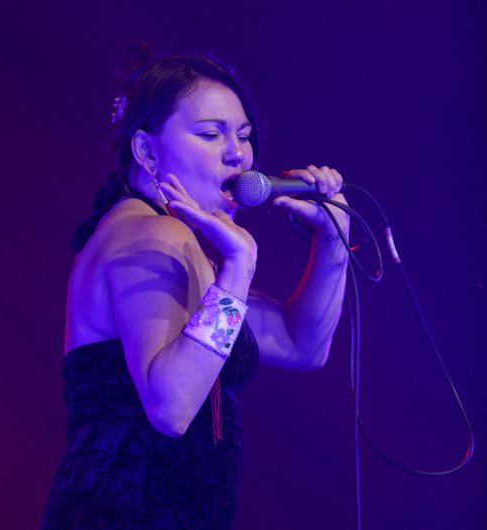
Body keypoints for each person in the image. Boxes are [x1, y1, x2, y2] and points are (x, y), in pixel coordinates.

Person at [41, 50, 349, 529]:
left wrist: (334, 240)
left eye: (244, 137)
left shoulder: (176, 243)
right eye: (211, 134)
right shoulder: (151, 234)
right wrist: (239, 264)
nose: (238, 154)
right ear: (146, 151)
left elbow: (299, 342)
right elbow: (172, 405)